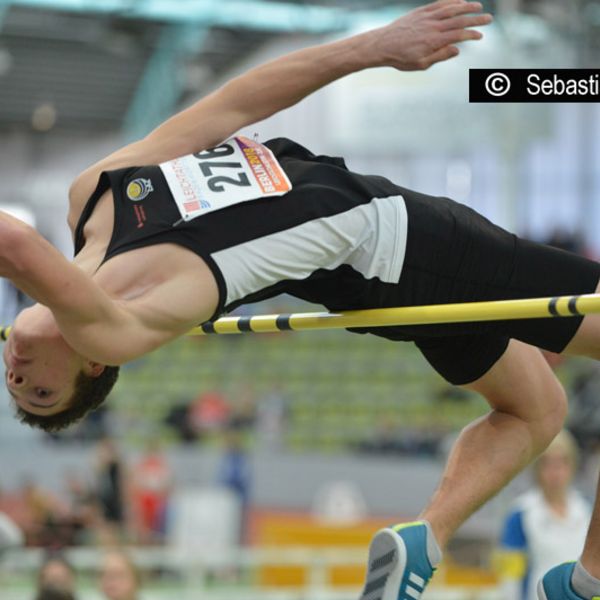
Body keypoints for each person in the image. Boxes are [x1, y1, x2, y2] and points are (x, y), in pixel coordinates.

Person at [1, 1, 599, 598]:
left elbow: (235, 103)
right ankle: (587, 580)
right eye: (43, 391)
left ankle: (422, 541)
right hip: (407, 244)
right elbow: (18, 246)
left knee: (538, 409)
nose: (17, 375)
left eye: (17, 385)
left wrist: (373, 47)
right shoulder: (114, 329)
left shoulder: (91, 196)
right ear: (92, 362)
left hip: (375, 277)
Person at [496, 430, 591, 600]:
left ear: (572, 466)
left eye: (562, 462)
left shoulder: (586, 511)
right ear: (537, 468)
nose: (555, 472)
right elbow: (509, 577)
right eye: (547, 463)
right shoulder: (520, 513)